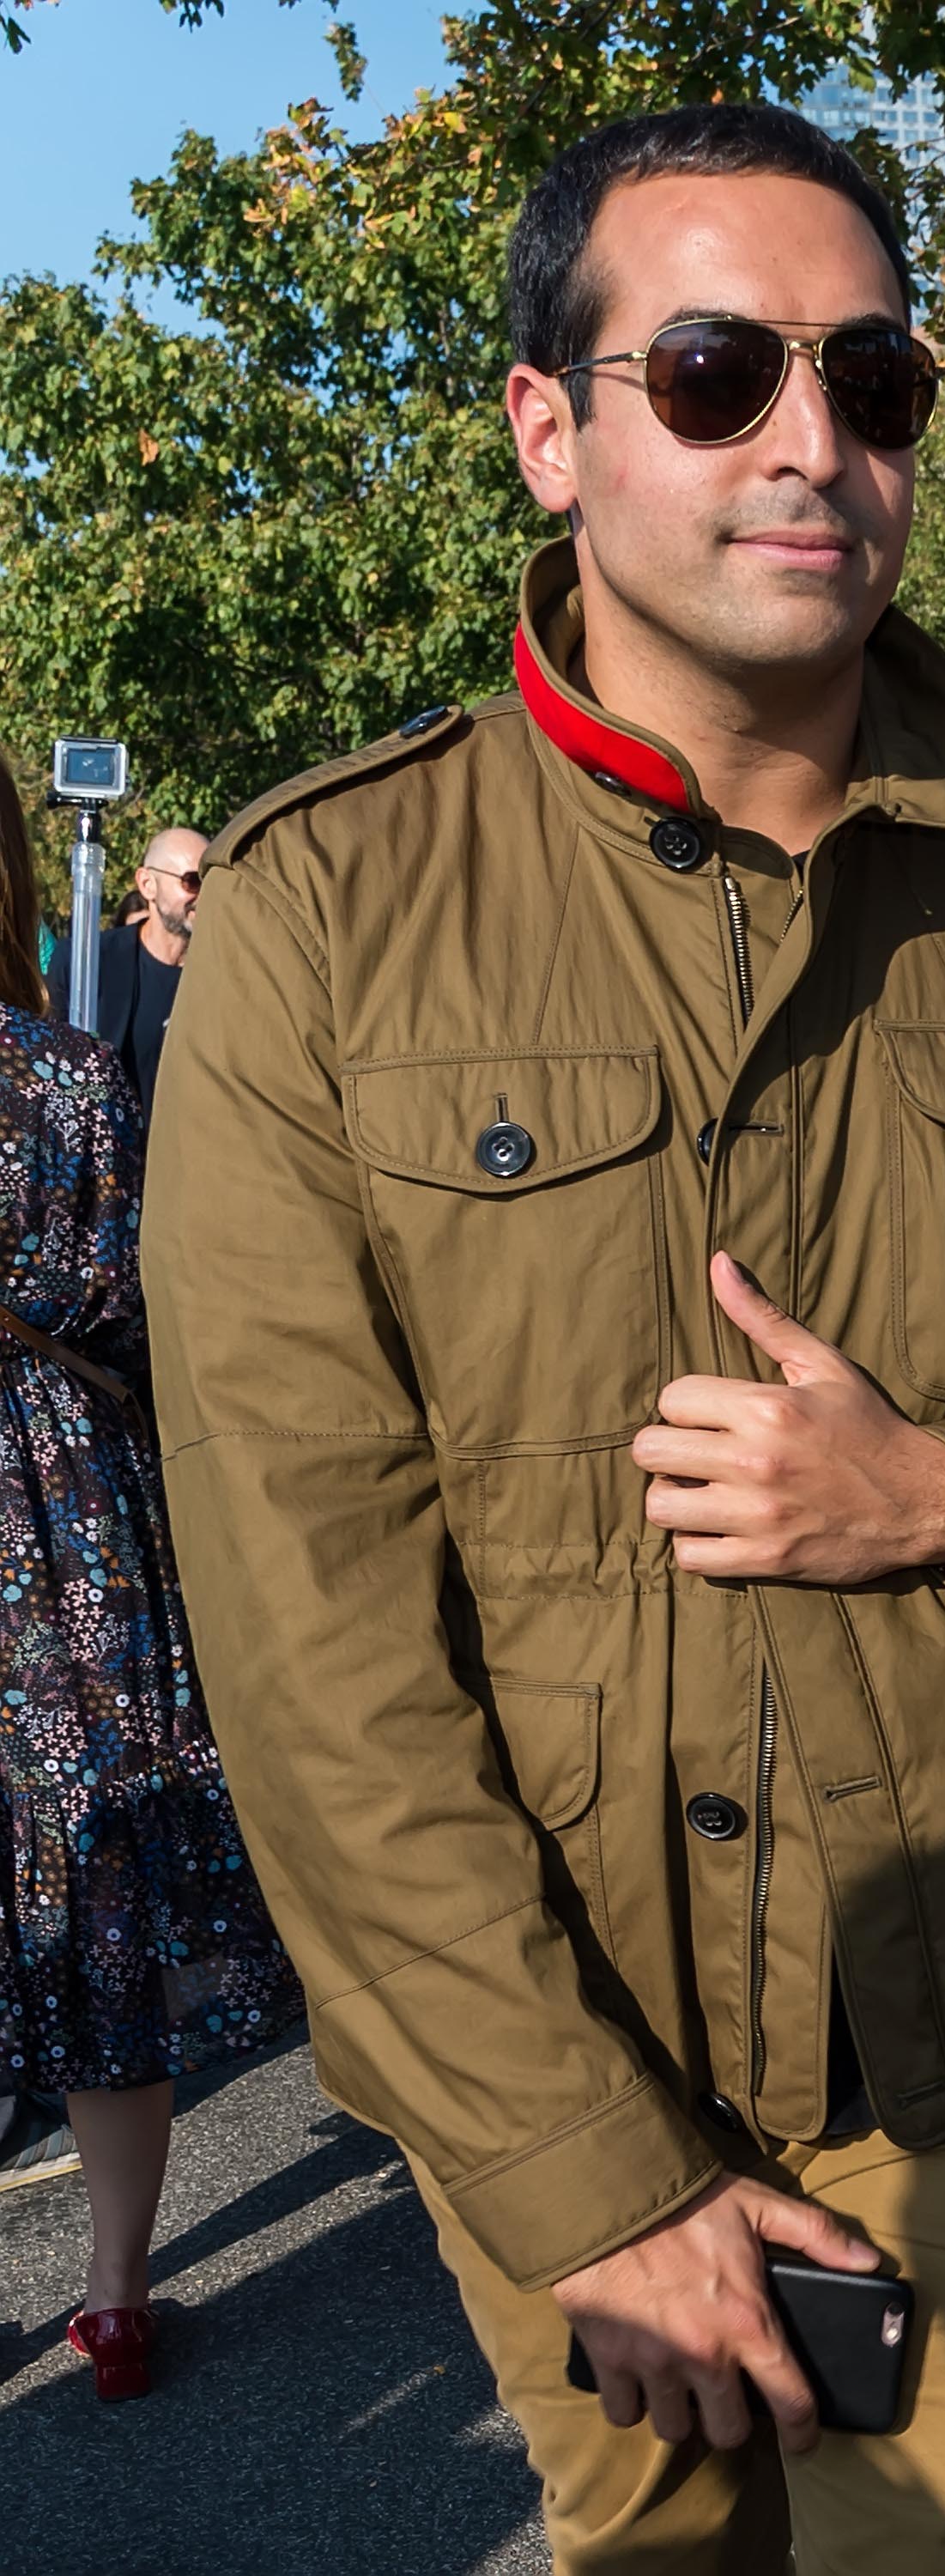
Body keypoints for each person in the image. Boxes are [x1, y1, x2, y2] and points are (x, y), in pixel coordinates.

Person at [140, 103, 945, 2573]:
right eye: (718, 372)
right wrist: (580, 2162)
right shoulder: (327, 913)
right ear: (552, 426)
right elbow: (309, 1640)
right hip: (560, 2023)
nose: (812, 440)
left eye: (874, 378)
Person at [0, 752, 300, 2394]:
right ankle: (114, 2291)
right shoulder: (65, 1081)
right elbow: (146, 1310)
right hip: (62, 1523)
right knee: (93, 1882)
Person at [45, 824, 206, 1115]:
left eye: (212, 881)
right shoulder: (88, 962)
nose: (204, 894)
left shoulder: (225, 972)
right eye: (192, 881)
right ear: (147, 884)